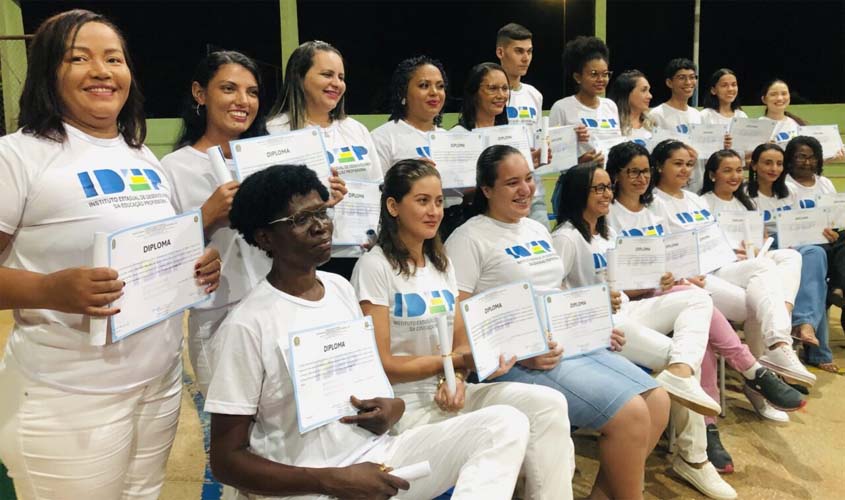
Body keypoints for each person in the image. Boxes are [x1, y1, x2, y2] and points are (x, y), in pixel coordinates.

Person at [206, 164, 532, 500]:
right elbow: (226, 461)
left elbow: (378, 388)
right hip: (315, 488)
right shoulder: (247, 325)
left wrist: (392, 410)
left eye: (322, 211)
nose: (320, 226)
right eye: (300, 220)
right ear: (264, 237)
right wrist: (329, 480)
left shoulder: (339, 289)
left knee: (505, 424)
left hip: (381, 459)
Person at [0, 10, 221, 499]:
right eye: (79, 58)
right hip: (68, 395)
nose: (101, 70)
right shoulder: (17, 155)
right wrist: (46, 289)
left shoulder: (142, 156)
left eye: (113, 59)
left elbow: (157, 246)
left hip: (157, 382)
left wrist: (194, 263)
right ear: (47, 72)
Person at [445, 145, 670, 499]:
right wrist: (521, 353)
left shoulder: (535, 228)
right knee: (630, 414)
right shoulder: (469, 239)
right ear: (486, 189)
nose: (526, 190)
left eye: (529, 180)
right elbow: (459, 321)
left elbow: (557, 287)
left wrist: (593, 323)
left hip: (571, 342)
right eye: (512, 183)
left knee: (658, 400)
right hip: (523, 360)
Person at [351, 159, 575, 500]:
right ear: (393, 206)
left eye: (439, 201)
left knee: (549, 403)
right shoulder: (374, 266)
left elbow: (456, 343)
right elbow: (384, 363)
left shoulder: (442, 264)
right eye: (422, 201)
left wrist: (453, 376)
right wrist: (454, 363)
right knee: (505, 423)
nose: (434, 211)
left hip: (450, 393)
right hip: (403, 407)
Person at [552, 163, 744, 499]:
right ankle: (694, 459)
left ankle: (681, 374)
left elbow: (622, 286)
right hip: (598, 327)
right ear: (577, 192)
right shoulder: (566, 238)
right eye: (597, 188)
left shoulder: (606, 232)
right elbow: (551, 298)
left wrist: (651, 283)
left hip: (627, 309)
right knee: (679, 361)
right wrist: (593, 300)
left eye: (607, 187)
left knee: (697, 299)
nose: (606, 194)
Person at [650, 141, 816, 389]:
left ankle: (774, 349)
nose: (685, 170)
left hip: (724, 265)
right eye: (677, 164)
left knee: (789, 258)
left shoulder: (694, 200)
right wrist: (683, 274)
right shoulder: (654, 202)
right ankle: (774, 356)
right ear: (659, 167)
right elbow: (662, 249)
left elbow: (714, 238)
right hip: (699, 278)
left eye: (688, 164)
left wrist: (743, 252)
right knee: (763, 291)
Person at [161, 50, 271, 395]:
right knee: (232, 433)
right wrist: (205, 218)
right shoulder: (173, 168)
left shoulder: (267, 159)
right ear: (200, 93)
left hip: (276, 309)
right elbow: (157, 255)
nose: (243, 101)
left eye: (252, 92)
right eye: (229, 89)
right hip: (217, 321)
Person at [266, 40, 372, 279]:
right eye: (327, 74)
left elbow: (377, 185)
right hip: (300, 259)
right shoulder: (273, 132)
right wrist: (316, 202)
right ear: (299, 77)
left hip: (360, 253)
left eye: (341, 77)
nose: (336, 83)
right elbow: (267, 204)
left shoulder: (356, 130)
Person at [495, 22, 550, 226]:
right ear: (500, 52)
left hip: (533, 190)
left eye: (529, 51)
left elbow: (537, 140)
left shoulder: (534, 95)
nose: (526, 57)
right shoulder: (489, 95)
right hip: (503, 191)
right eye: (519, 51)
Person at [549, 36, 618, 165]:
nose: (601, 79)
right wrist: (580, 161)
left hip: (607, 180)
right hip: (576, 181)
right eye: (593, 74)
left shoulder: (610, 106)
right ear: (577, 77)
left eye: (605, 74)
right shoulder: (562, 108)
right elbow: (552, 158)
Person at [371, 56, 447, 172]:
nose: (434, 92)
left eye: (440, 86)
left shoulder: (449, 139)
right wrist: (410, 177)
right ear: (403, 93)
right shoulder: (382, 138)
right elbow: (375, 187)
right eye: (424, 85)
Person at [649, 58, 705, 191]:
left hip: (697, 184)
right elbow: (656, 153)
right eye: (682, 78)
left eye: (692, 77)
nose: (688, 82)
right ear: (669, 82)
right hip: (669, 187)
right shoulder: (657, 114)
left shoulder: (697, 115)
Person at [607, 69, 655, 143]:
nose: (650, 96)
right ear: (626, 93)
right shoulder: (610, 124)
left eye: (649, 90)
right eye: (643, 90)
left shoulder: (655, 122)